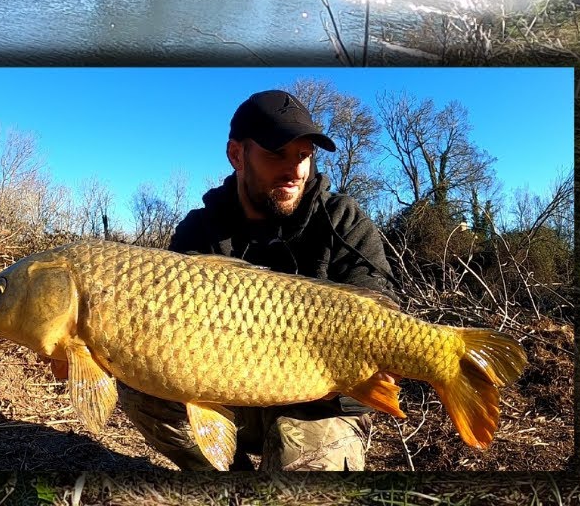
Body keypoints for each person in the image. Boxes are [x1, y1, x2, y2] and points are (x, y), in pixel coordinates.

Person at [118, 89, 397, 471]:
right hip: (226, 391)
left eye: (303, 155)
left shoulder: (344, 220)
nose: (296, 170)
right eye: (277, 153)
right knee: (138, 382)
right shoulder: (199, 230)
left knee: (298, 456)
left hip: (320, 405)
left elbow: (382, 317)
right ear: (237, 155)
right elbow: (163, 336)